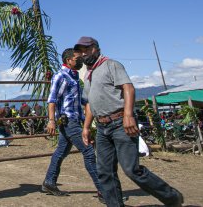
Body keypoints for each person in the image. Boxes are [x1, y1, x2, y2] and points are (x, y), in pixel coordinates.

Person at [78, 36, 184, 207]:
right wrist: (86, 127)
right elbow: (90, 103)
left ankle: (171, 197)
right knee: (104, 172)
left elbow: (128, 87)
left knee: (131, 169)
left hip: (120, 122)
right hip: (103, 127)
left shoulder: (111, 65)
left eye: (87, 49)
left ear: (96, 49)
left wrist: (128, 115)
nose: (84, 54)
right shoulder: (89, 74)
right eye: (81, 51)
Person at [42, 48, 103, 200]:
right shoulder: (61, 76)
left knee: (61, 152)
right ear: (68, 60)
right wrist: (51, 120)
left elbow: (79, 101)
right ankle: (104, 190)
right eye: (77, 58)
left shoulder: (74, 77)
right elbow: (52, 100)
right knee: (88, 152)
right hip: (68, 121)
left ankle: (49, 181)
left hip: (74, 120)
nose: (81, 60)